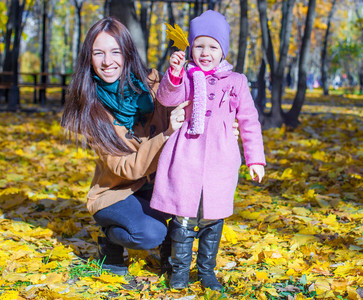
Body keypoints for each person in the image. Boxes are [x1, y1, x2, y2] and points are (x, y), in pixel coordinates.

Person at [60, 17, 239, 276]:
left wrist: (223, 128)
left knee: (189, 208)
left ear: (127, 53)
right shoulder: (91, 110)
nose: (107, 61)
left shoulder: (155, 84)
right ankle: (111, 239)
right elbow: (125, 167)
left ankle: (168, 245)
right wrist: (165, 135)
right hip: (117, 191)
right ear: (89, 58)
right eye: (98, 53)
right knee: (150, 233)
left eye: (115, 52)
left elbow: (196, 108)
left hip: (158, 183)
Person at [150, 10, 266, 291]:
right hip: (186, 155)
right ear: (190, 47)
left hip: (220, 158)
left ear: (223, 50)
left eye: (213, 46)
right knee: (184, 214)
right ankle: (178, 270)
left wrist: (255, 159)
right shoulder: (188, 76)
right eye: (199, 45)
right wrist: (174, 75)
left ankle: (206, 270)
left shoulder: (237, 81)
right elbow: (166, 98)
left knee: (212, 216)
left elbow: (249, 120)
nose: (205, 52)